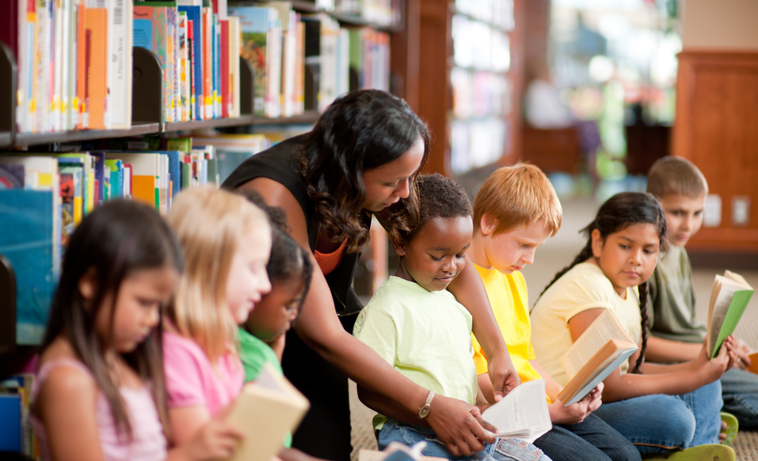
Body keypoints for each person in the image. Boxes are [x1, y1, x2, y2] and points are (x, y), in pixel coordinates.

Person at [222, 89, 518, 460]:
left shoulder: (378, 179)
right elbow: (322, 333)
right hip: (250, 336)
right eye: (394, 182)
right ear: (350, 170)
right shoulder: (275, 196)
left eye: (410, 176)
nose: (406, 192)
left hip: (314, 320)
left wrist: (497, 352)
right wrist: (427, 404)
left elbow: (447, 253)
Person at [354, 173, 550, 461]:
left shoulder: (454, 301)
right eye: (437, 256)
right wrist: (431, 414)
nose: (451, 267)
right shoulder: (385, 310)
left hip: (466, 423)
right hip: (411, 428)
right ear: (400, 243)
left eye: (461, 255)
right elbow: (369, 391)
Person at [31, 200, 245, 461]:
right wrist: (188, 455)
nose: (153, 318)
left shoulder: (120, 357)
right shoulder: (68, 381)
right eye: (144, 302)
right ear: (90, 282)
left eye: (159, 305)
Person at [530, 192, 736, 460]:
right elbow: (613, 386)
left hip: (603, 402)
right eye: (625, 246)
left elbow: (636, 367)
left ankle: (696, 448)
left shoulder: (630, 286)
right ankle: (698, 441)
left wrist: (698, 368)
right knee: (675, 417)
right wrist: (694, 376)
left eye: (648, 250)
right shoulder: (587, 286)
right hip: (571, 411)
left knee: (708, 383)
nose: (636, 259)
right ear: (597, 242)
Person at [469, 164, 640, 461]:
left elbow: (527, 357)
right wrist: (552, 412)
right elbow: (480, 383)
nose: (531, 259)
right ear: (488, 223)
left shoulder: (512, 277)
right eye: (524, 244)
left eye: (537, 248)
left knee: (626, 455)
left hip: (538, 401)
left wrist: (565, 393)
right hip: (509, 415)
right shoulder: (460, 285)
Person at [646, 156, 758, 430]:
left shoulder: (679, 253)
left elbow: (687, 324)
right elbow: (643, 346)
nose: (688, 225)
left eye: (697, 213)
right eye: (677, 213)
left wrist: (728, 344)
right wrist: (706, 351)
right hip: (678, 363)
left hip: (700, 350)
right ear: (651, 204)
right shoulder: (643, 263)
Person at [162, 187, 272, 449]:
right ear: (210, 269)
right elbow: (206, 452)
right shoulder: (175, 354)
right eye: (255, 268)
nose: (266, 285)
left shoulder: (221, 344)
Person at [236, 188, 319, 461]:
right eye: (288, 306)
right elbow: (262, 447)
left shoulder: (258, 348)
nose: (293, 316)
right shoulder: (246, 356)